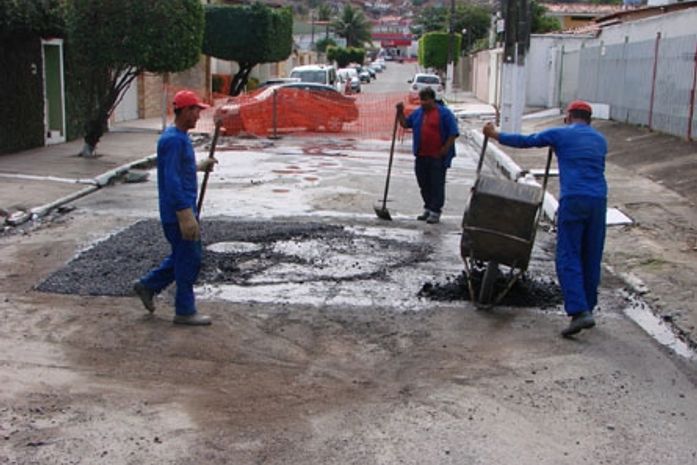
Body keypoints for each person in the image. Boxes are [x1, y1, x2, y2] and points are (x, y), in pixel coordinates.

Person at [483, 100, 607, 337]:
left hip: (574, 199)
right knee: (591, 255)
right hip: (599, 202)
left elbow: (525, 141)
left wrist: (495, 134)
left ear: (568, 117)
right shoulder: (601, 140)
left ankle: (579, 311)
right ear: (589, 120)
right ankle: (588, 306)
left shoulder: (560, 134)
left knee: (568, 254)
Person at [133, 90, 217, 326]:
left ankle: (148, 286)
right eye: (196, 111)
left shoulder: (179, 137)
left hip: (182, 210)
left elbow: (177, 170)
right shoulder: (173, 140)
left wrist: (198, 166)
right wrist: (184, 213)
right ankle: (184, 310)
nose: (198, 116)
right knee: (189, 259)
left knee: (182, 256)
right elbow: (171, 179)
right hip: (178, 213)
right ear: (185, 111)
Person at [396, 87, 459, 224]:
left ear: (432, 99)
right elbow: (406, 124)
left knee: (437, 184)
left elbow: (453, 132)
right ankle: (428, 207)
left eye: (425, 100)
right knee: (423, 183)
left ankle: (435, 210)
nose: (423, 103)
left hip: (437, 157)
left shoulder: (444, 113)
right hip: (421, 155)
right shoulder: (418, 113)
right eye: (421, 100)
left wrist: (445, 149)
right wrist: (400, 112)